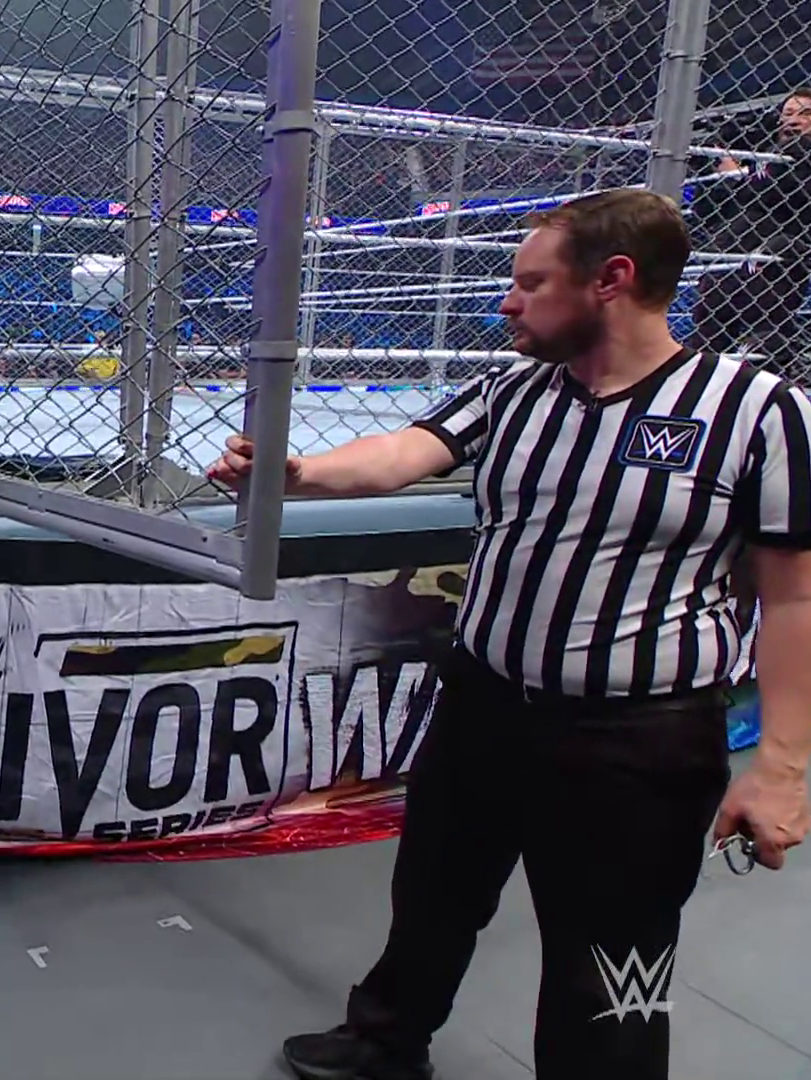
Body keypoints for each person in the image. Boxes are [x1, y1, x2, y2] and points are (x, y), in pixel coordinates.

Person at [206, 189, 811, 1080]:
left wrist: (783, 768)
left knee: (613, 954)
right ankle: (385, 1041)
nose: (508, 301)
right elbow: (405, 452)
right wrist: (295, 473)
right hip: (485, 706)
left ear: (611, 280)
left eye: (531, 283)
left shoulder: (757, 410)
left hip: (639, 738)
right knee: (432, 897)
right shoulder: (515, 390)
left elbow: (795, 598)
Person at [688, 89, 811, 379]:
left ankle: (766, 374)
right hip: (734, 251)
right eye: (788, 113)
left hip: (782, 247)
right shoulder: (766, 155)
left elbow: (781, 193)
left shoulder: (799, 155)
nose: (793, 120)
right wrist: (726, 175)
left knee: (763, 316)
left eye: (805, 113)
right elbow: (707, 211)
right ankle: (700, 378)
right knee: (710, 323)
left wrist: (737, 178)